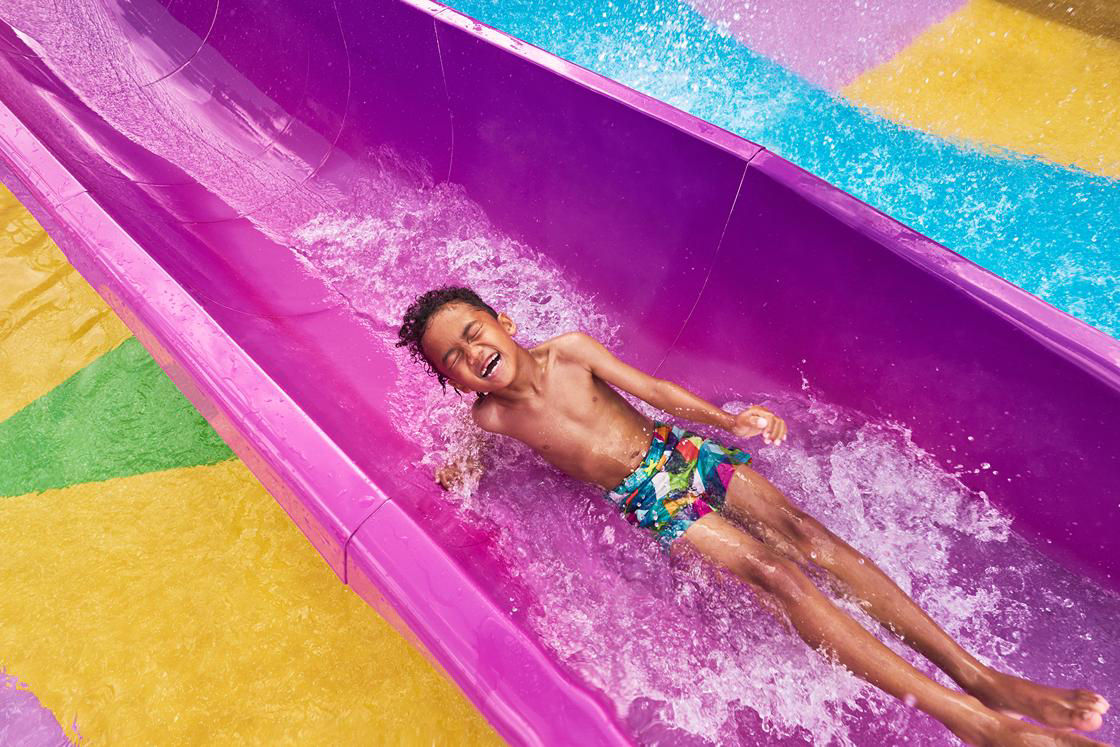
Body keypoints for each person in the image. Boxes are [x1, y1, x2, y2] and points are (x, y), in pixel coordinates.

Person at [396, 285, 1110, 746]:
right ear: (452, 382)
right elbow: (459, 452)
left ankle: (980, 675)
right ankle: (970, 719)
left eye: (473, 331)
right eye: (451, 358)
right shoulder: (489, 418)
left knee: (805, 534)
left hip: (676, 448)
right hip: (649, 495)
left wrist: (727, 419)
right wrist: (454, 474)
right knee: (777, 574)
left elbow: (655, 388)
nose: (471, 353)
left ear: (504, 321)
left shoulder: (570, 352)